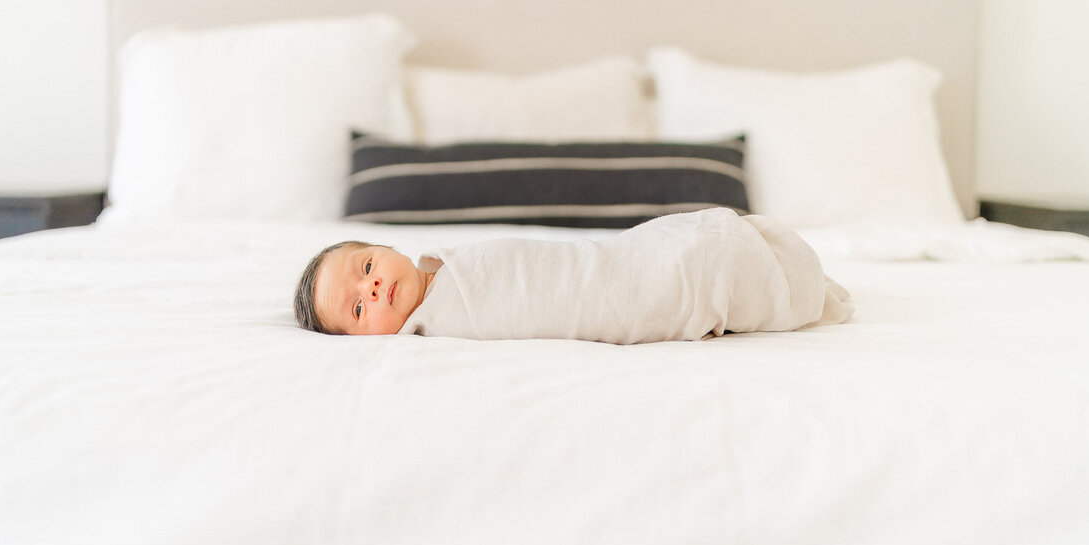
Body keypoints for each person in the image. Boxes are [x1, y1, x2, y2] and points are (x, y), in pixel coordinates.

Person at [293, 207, 853, 345]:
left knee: (674, 256)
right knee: (667, 288)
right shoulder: (430, 335)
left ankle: (730, 258)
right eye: (358, 309)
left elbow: (564, 268)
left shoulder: (452, 261)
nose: (370, 287)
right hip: (623, 299)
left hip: (613, 260)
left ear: (387, 247)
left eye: (366, 266)